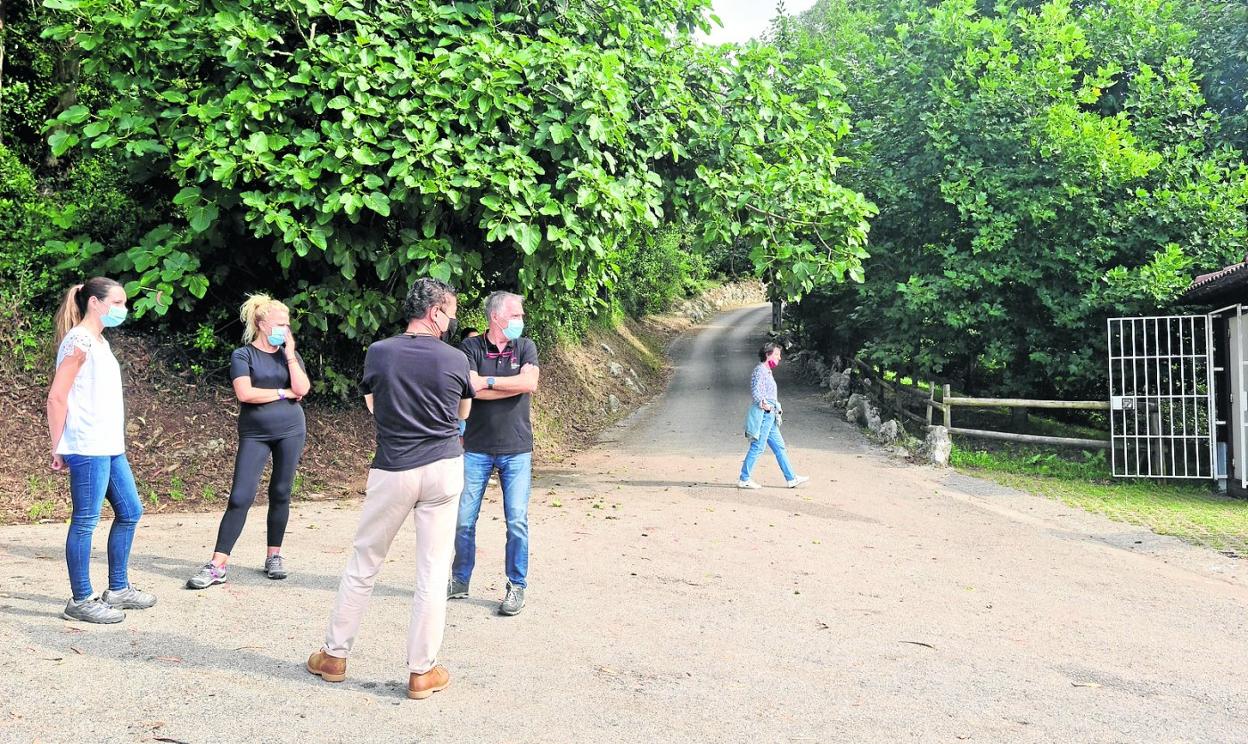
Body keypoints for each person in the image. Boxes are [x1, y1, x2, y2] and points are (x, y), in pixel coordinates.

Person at [307, 278, 473, 701]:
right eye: (450, 313)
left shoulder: (379, 352)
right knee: (433, 573)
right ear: (435, 312)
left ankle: (334, 656)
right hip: (443, 467)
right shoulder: (455, 358)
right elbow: (463, 411)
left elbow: (373, 405)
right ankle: (422, 671)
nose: (451, 321)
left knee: (365, 563)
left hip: (394, 467)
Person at [47, 277, 155, 624]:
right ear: (94, 302)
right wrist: (58, 445)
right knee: (85, 522)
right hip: (88, 445)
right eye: (118, 303)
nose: (124, 310)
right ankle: (81, 599)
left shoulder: (99, 341)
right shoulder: (79, 340)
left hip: (109, 445)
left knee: (130, 512)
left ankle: (118, 589)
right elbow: (57, 396)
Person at [187, 295, 311, 589]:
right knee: (240, 496)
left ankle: (274, 556)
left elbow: (303, 388)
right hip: (255, 433)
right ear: (262, 324)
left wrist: (290, 353)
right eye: (281, 323)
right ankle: (218, 565)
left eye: (288, 324)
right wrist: (282, 394)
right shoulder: (242, 356)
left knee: (281, 491)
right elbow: (246, 394)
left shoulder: (288, 355)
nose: (286, 328)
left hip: (292, 429)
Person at [448, 291, 539, 616]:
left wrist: (487, 381)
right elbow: (468, 389)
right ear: (496, 317)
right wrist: (506, 382)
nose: (520, 321)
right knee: (463, 521)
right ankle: (460, 580)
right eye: (515, 315)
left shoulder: (525, 346)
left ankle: (517, 586)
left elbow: (529, 384)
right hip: (475, 447)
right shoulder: (470, 348)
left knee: (516, 521)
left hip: (516, 448)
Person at [738, 342, 809, 490]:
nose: (779, 358)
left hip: (771, 415)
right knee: (758, 447)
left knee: (780, 447)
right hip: (765, 414)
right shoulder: (760, 370)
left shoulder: (767, 371)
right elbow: (756, 390)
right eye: (776, 354)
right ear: (767, 354)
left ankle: (791, 478)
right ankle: (744, 478)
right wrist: (765, 404)